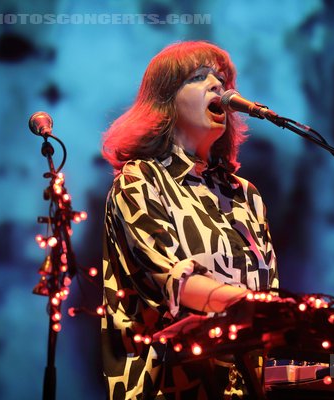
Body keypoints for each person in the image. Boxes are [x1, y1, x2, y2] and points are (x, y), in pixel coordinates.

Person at [100, 41, 279, 399]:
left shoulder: (246, 194)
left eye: (222, 79)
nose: (218, 85)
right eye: (199, 77)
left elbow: (269, 293)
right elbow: (175, 284)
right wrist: (263, 311)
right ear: (164, 103)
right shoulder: (141, 180)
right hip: (169, 385)